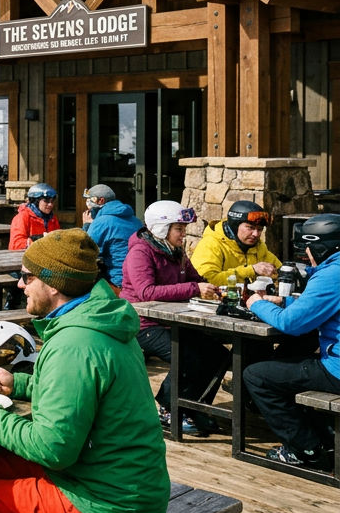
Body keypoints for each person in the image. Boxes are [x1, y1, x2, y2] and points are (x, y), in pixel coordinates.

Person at [0, 229, 170, 513]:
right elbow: (84, 391)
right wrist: (18, 383)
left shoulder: (74, 344)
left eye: (26, 276)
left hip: (108, 512)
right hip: (129, 489)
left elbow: (52, 450)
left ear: (54, 284)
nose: (20, 284)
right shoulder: (99, 321)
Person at [119, 201, 227, 434]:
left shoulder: (175, 252)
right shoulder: (140, 252)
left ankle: (194, 407)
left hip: (172, 322)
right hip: (142, 323)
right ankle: (169, 409)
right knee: (188, 356)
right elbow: (146, 292)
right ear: (161, 228)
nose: (184, 233)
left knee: (218, 355)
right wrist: (195, 289)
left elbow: (195, 279)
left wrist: (215, 289)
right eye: (179, 228)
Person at [243, 214, 340, 468]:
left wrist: (258, 304)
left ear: (317, 247)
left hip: (338, 370)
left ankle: (306, 449)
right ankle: (324, 435)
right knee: (291, 365)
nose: (306, 256)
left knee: (257, 375)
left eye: (306, 250)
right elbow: (321, 307)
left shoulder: (332, 274)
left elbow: (292, 324)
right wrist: (284, 302)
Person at [191, 199, 280, 286]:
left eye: (260, 229)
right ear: (235, 226)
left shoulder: (258, 248)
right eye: (250, 228)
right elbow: (205, 281)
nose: (256, 234)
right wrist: (251, 271)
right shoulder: (210, 244)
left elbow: (280, 270)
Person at [82, 184, 143, 288]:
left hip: (118, 280)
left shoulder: (101, 222)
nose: (88, 205)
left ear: (101, 201)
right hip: (141, 278)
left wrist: (87, 226)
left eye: (89, 201)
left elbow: (86, 251)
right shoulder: (136, 221)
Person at [10, 183, 61, 250]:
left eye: (52, 201)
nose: (50, 204)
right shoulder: (23, 217)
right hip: (25, 257)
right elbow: (15, 245)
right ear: (36, 201)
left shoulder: (52, 219)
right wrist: (37, 239)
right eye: (46, 201)